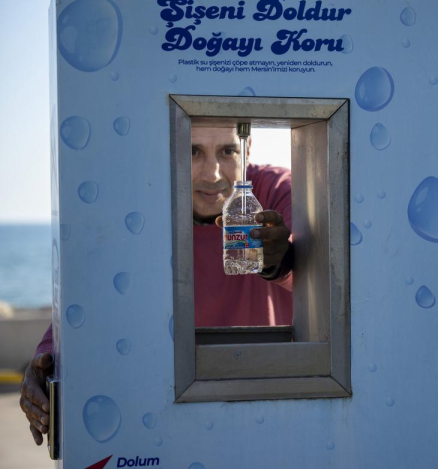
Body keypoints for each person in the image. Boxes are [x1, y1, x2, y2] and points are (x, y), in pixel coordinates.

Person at [19, 122, 293, 446]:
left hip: (268, 396)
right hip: (170, 407)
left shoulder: (276, 189)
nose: (212, 174)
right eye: (193, 151)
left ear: (247, 148)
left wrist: (282, 261)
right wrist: (50, 355)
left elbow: (328, 272)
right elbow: (99, 287)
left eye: (228, 151)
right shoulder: (145, 200)